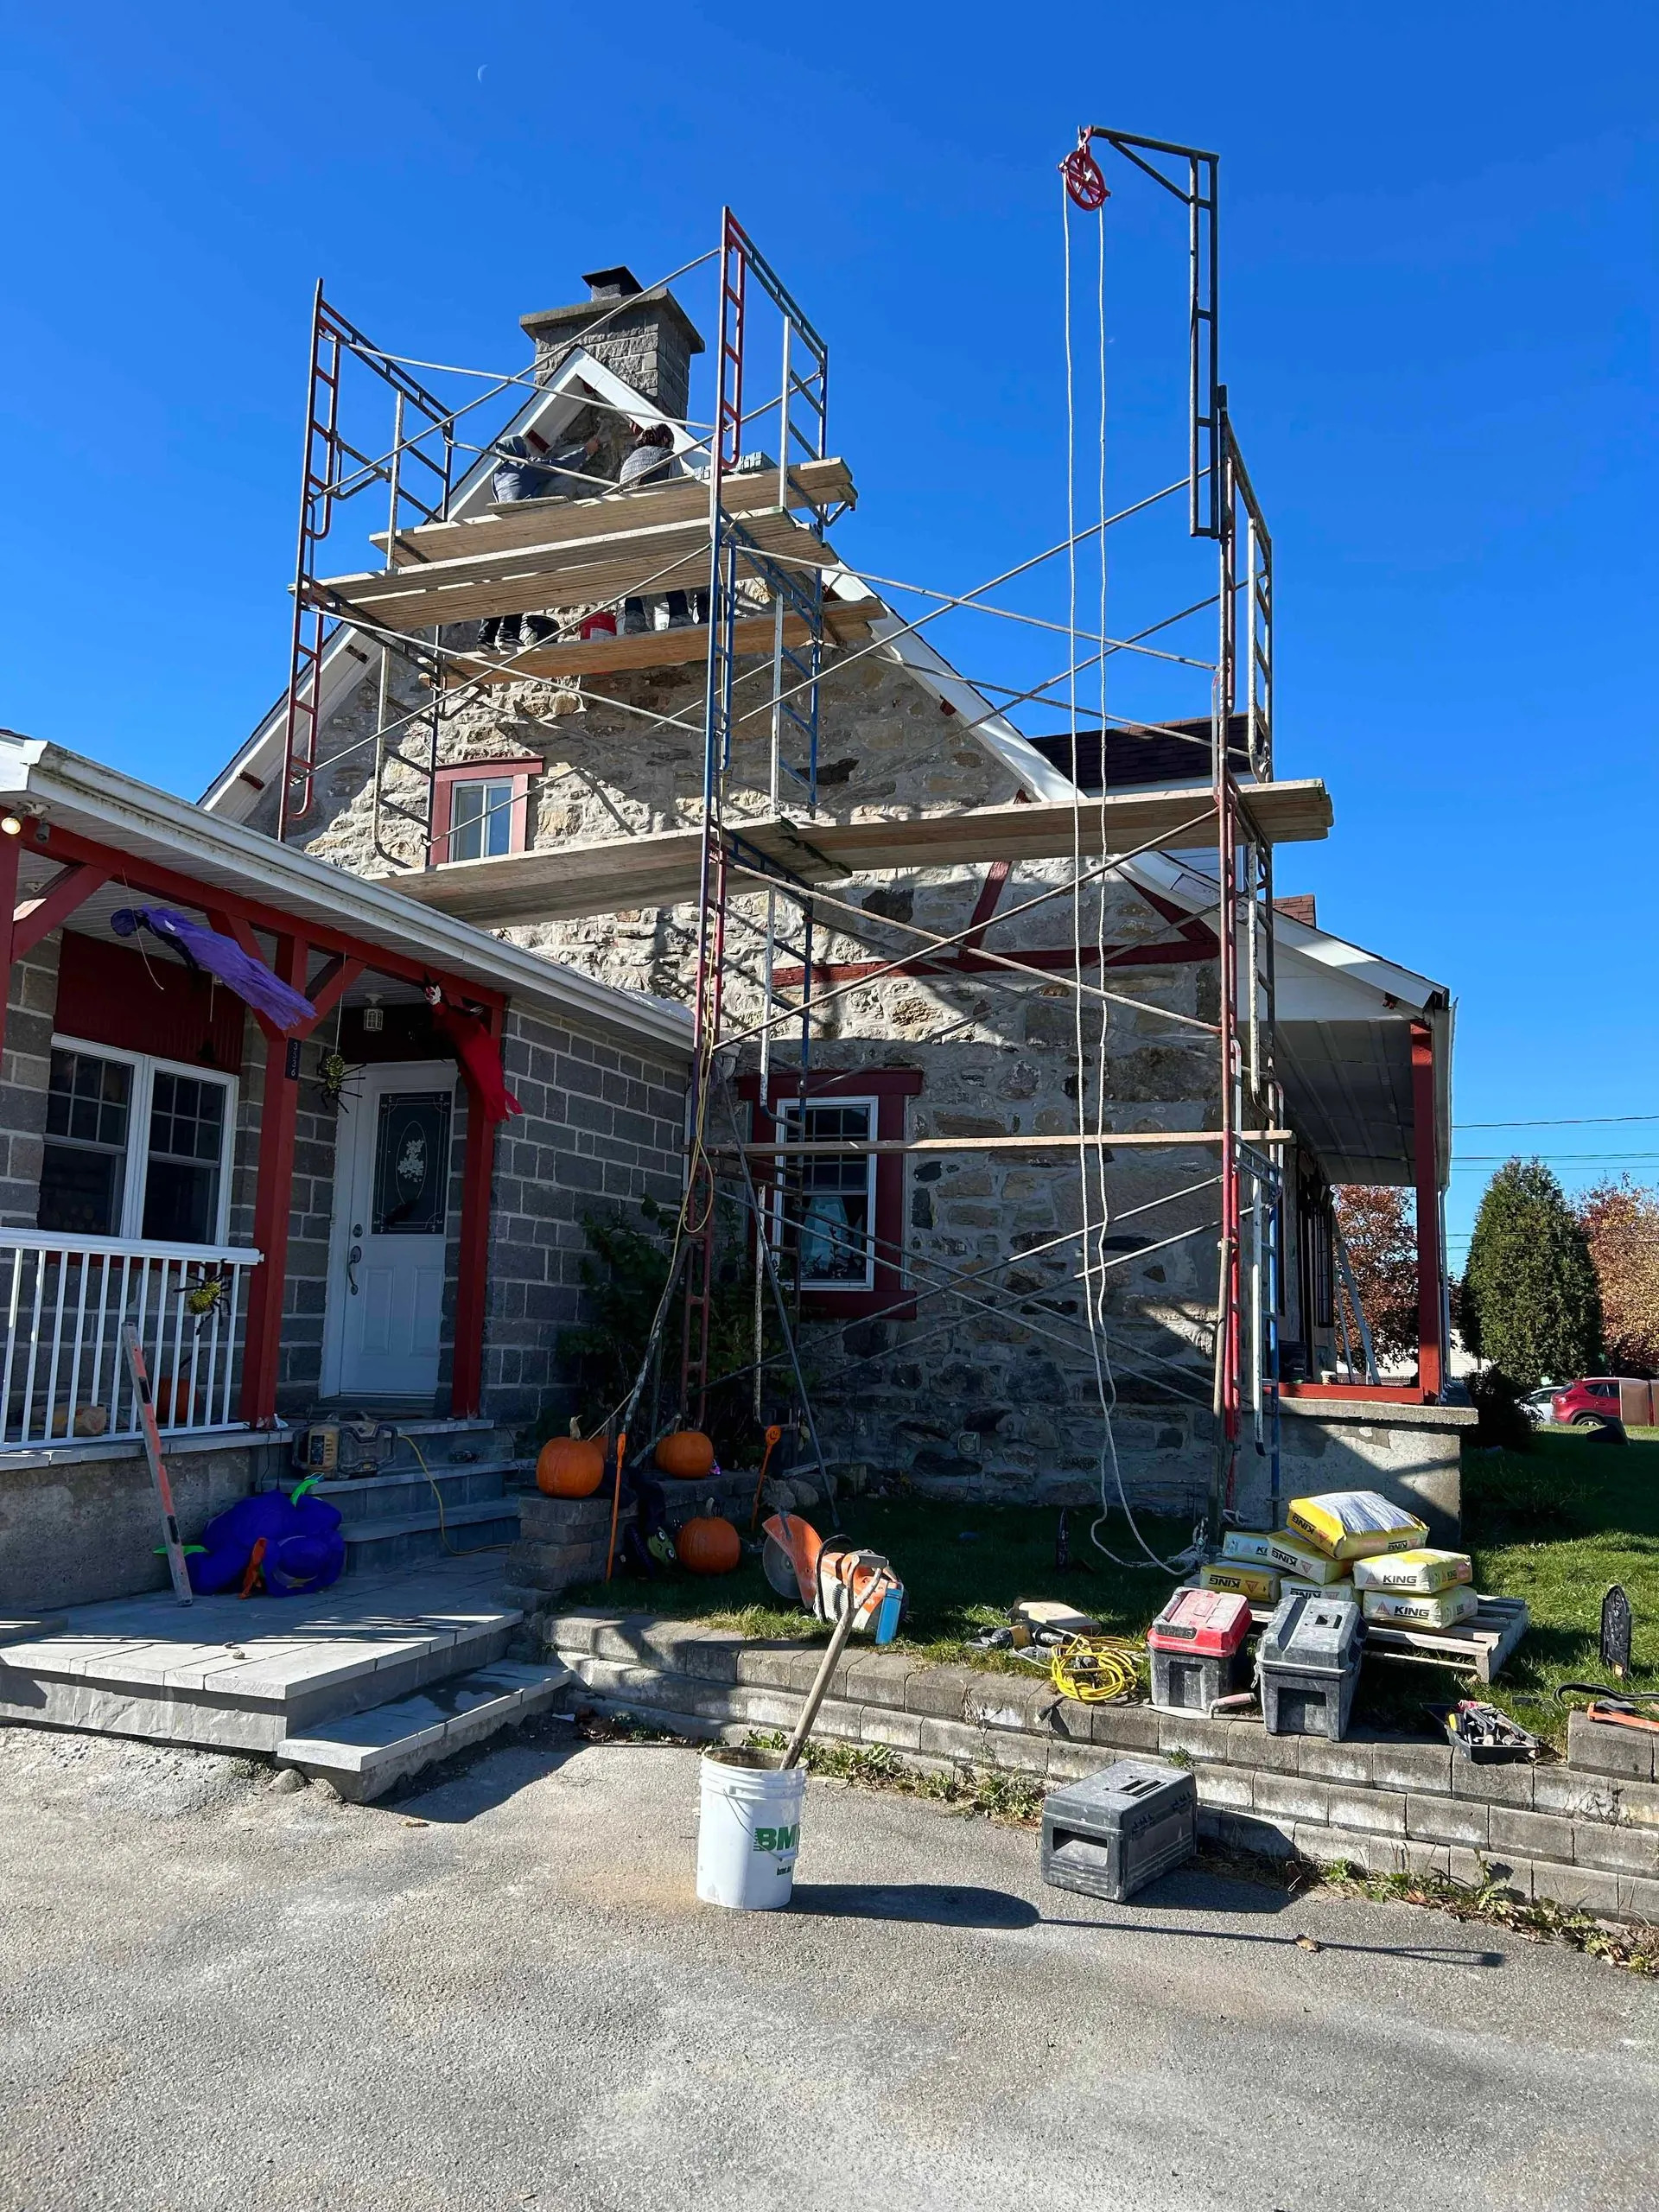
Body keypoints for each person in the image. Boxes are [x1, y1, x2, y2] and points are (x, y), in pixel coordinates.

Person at [475, 429, 601, 655]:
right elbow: (558, 466)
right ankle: (508, 635)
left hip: (503, 533)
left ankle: (485, 638)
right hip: (521, 531)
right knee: (521, 584)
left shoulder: (498, 475)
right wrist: (586, 451)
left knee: (503, 586)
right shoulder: (525, 466)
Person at [617, 423, 709, 635]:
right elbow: (676, 490)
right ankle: (678, 615)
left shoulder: (628, 462)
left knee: (638, 570)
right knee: (671, 563)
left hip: (631, 524)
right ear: (665, 440)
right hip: (659, 517)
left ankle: (633, 617)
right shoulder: (666, 455)